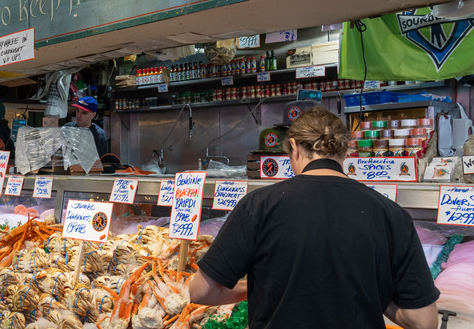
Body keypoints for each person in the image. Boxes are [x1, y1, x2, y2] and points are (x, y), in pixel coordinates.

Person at [188, 106, 439, 329]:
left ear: (294, 147)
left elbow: (201, 291)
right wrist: (374, 292)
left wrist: (251, 289)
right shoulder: (391, 214)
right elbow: (424, 322)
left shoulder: (258, 205)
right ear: (346, 151)